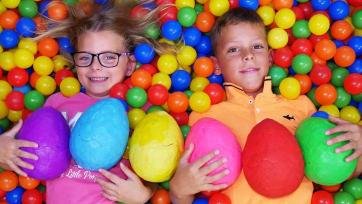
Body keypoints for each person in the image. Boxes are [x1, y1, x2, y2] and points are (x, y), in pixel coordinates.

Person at [169, 7, 362, 204]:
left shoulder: (301, 107)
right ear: (216, 65)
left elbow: (336, 171)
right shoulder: (205, 119)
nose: (248, 55)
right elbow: (188, 189)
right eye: (233, 49)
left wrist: (358, 148)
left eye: (257, 47)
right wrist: (179, 190)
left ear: (270, 58)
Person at [0, 0, 169, 203]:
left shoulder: (139, 110)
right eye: (85, 57)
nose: (95, 67)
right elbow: (29, 151)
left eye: (108, 58)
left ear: (130, 65)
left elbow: (155, 164)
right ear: (75, 62)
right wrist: (5, 149)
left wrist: (144, 194)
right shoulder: (57, 102)